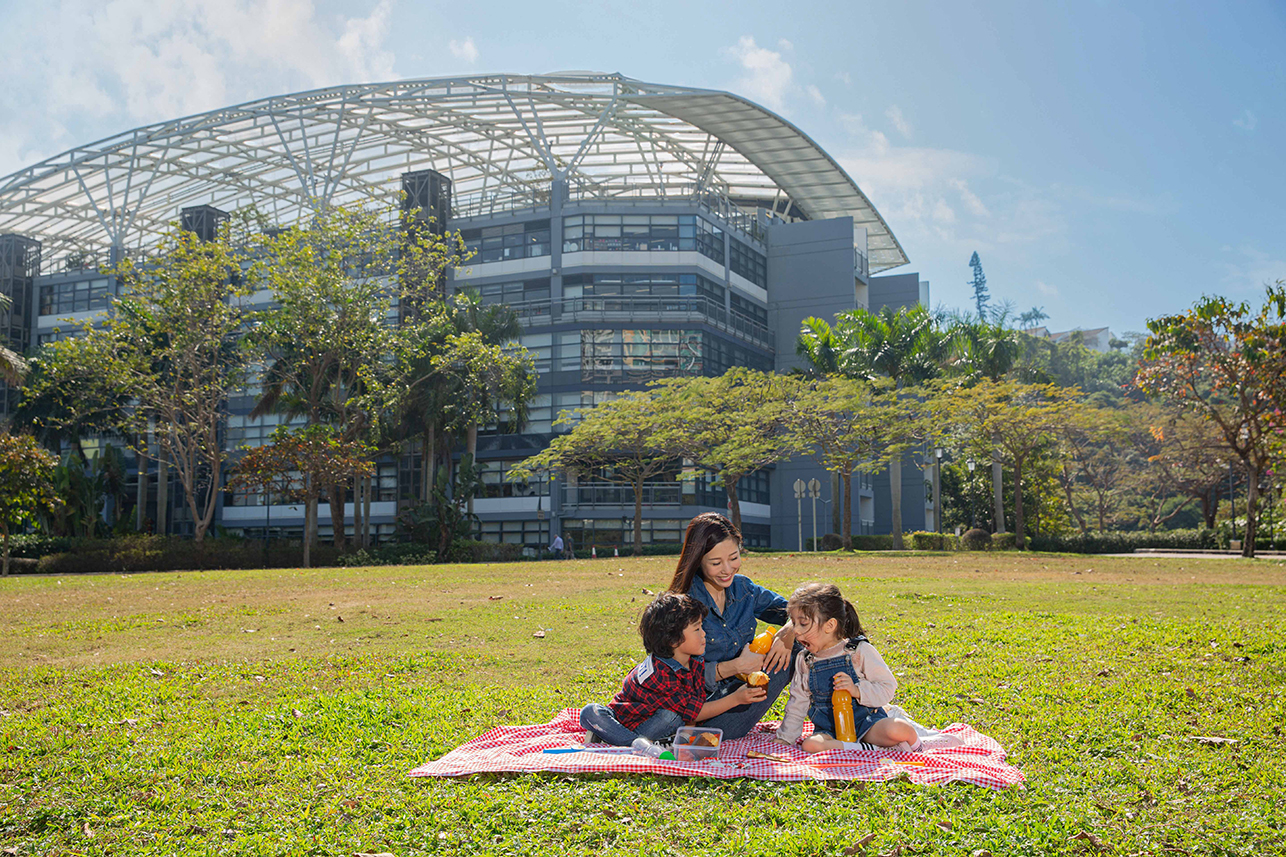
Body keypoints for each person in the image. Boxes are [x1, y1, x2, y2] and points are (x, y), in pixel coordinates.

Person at [666, 512, 799, 740]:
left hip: (743, 693)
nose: (727, 569)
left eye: (734, 557)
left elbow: (799, 611)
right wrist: (736, 666)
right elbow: (674, 675)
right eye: (716, 563)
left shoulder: (744, 589)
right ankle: (696, 735)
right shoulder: (683, 605)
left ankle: (849, 717)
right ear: (698, 561)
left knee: (801, 648)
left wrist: (787, 631)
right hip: (702, 706)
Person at [579, 592, 766, 745]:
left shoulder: (692, 660)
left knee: (677, 721)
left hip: (651, 721)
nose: (704, 634)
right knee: (592, 711)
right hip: (629, 722)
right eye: (697, 629)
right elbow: (696, 711)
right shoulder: (661, 673)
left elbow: (694, 700)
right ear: (673, 640)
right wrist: (736, 699)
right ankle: (631, 742)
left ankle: (614, 739)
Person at [774, 582, 920, 753]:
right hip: (830, 732)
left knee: (899, 729)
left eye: (803, 623)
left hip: (868, 725)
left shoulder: (857, 651)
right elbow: (797, 703)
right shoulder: (805, 660)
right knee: (810, 745)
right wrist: (785, 738)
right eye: (793, 622)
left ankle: (916, 747)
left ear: (830, 625)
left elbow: (888, 687)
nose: (796, 631)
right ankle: (868, 749)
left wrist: (857, 690)